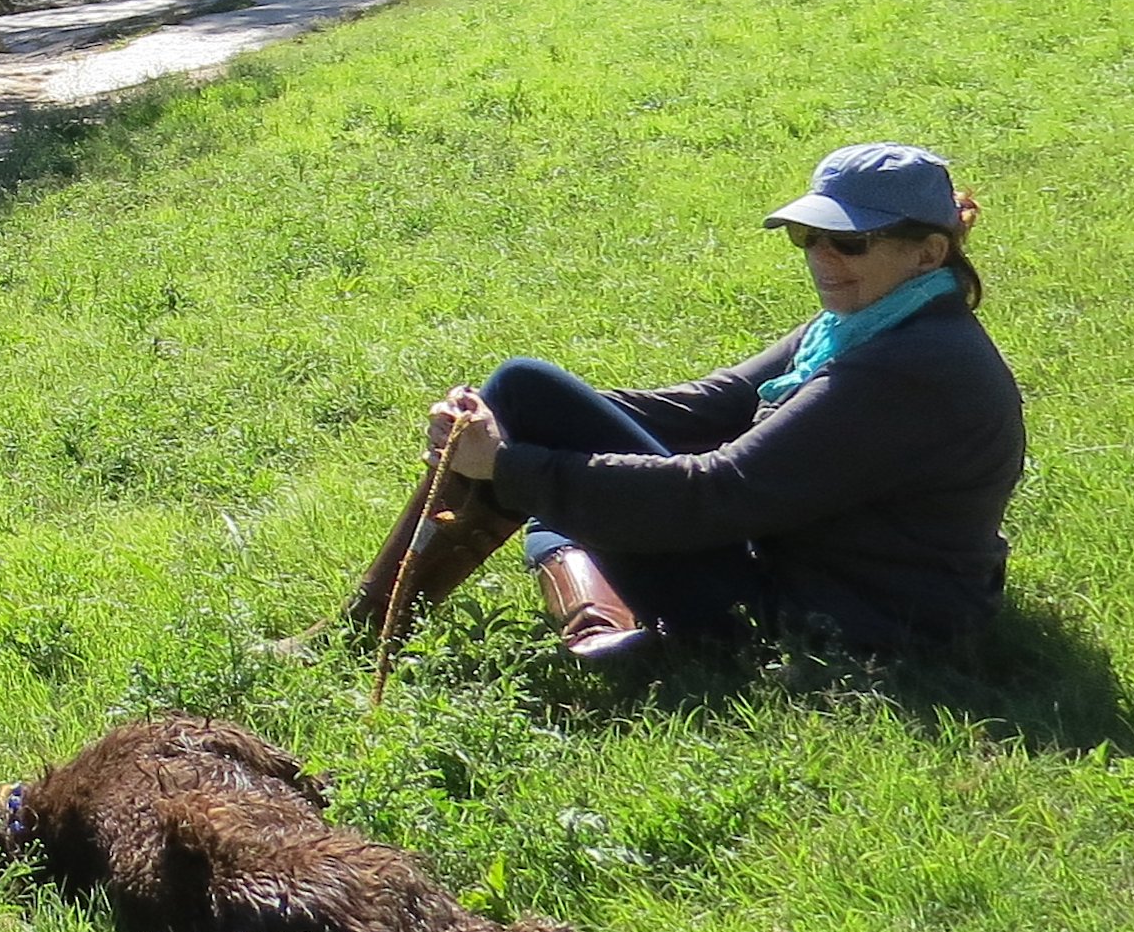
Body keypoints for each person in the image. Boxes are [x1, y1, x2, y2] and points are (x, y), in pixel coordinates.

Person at [347, 143, 1025, 670]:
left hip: (843, 623)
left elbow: (717, 492)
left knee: (563, 484)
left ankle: (371, 630)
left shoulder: (912, 366)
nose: (822, 257)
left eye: (849, 242)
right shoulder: (870, 321)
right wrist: (512, 425)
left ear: (927, 253)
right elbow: (714, 403)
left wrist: (506, 465)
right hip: (800, 567)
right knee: (526, 397)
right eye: (808, 236)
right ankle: (601, 628)